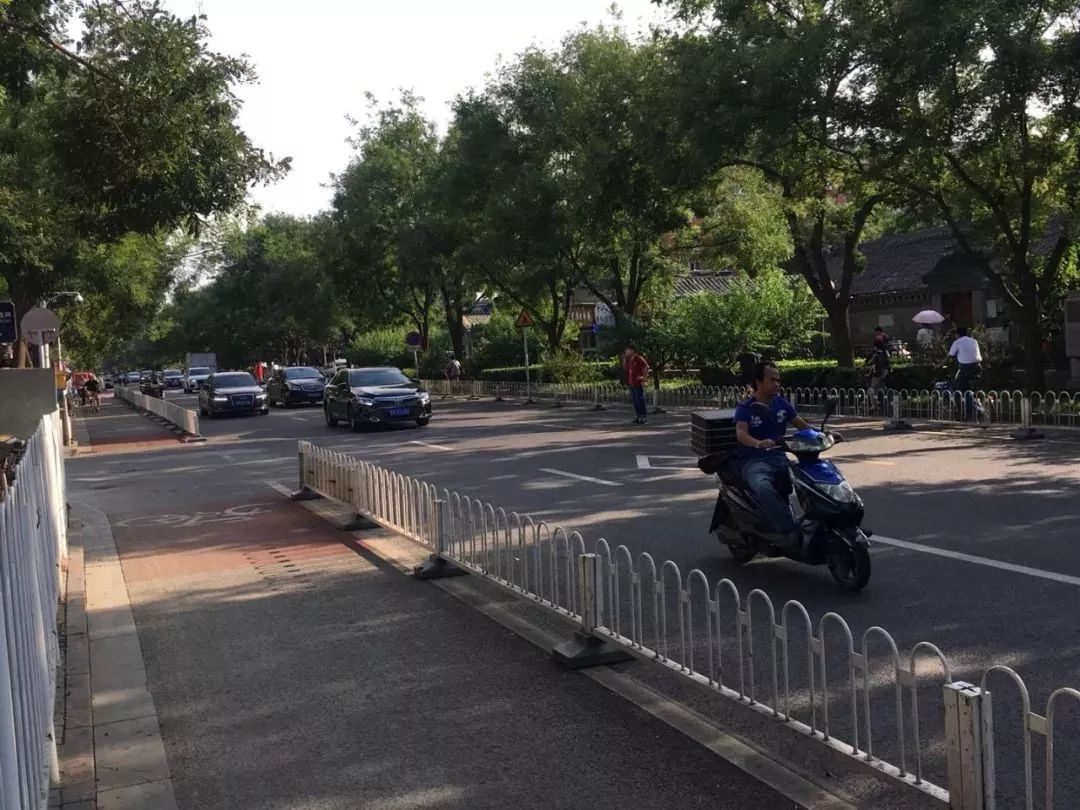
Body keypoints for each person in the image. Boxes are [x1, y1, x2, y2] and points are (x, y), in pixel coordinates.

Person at [733, 362, 816, 552]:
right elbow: (741, 434)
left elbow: (803, 426)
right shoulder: (747, 407)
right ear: (758, 382)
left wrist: (825, 435)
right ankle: (787, 531)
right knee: (763, 487)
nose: (777, 384)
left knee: (812, 480)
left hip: (780, 458)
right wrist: (758, 443)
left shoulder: (782, 404)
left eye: (779, 380)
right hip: (754, 462)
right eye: (772, 380)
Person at [948, 326, 983, 392]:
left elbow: (950, 356)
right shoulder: (974, 341)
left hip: (966, 368)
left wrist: (939, 364)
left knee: (956, 386)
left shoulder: (957, 342)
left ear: (957, 334)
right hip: (978, 367)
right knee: (974, 388)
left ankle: (962, 400)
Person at [623, 343, 650, 425]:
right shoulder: (629, 360)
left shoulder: (639, 359)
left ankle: (643, 417)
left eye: (627, 350)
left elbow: (646, 367)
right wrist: (624, 361)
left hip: (637, 383)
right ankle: (638, 416)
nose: (626, 351)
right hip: (631, 383)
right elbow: (626, 369)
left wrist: (644, 379)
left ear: (632, 350)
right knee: (635, 401)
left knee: (639, 400)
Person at [866, 337, 891, 412]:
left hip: (878, 373)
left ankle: (874, 406)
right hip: (885, 372)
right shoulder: (885, 351)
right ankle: (888, 404)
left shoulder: (877, 353)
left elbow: (870, 361)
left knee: (872, 390)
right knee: (883, 388)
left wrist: (867, 363)